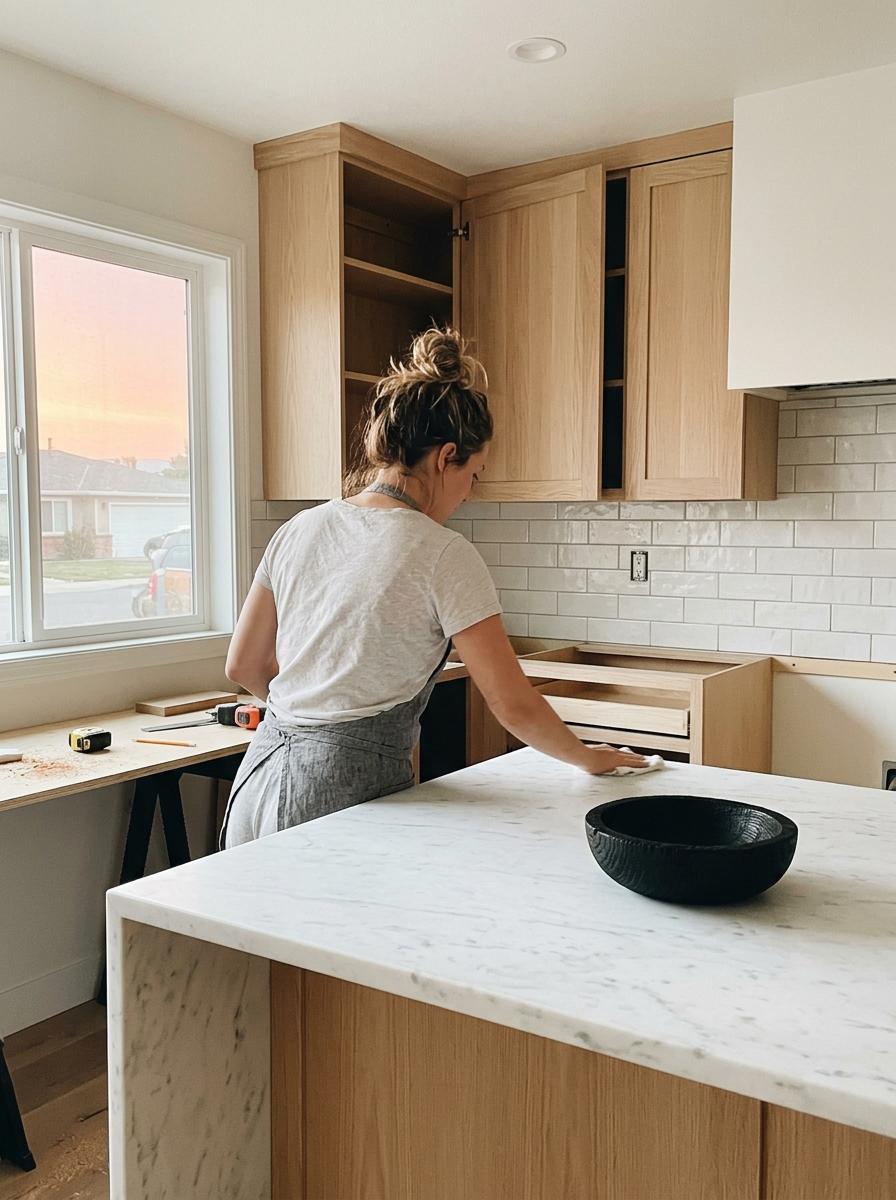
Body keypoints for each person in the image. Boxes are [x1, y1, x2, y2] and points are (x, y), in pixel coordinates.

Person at [221, 327, 646, 847]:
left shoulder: (299, 528)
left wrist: (308, 717)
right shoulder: (443, 552)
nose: (470, 493)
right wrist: (590, 758)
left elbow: (242, 666)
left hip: (257, 780)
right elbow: (511, 703)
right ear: (447, 458)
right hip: (340, 798)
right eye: (475, 474)